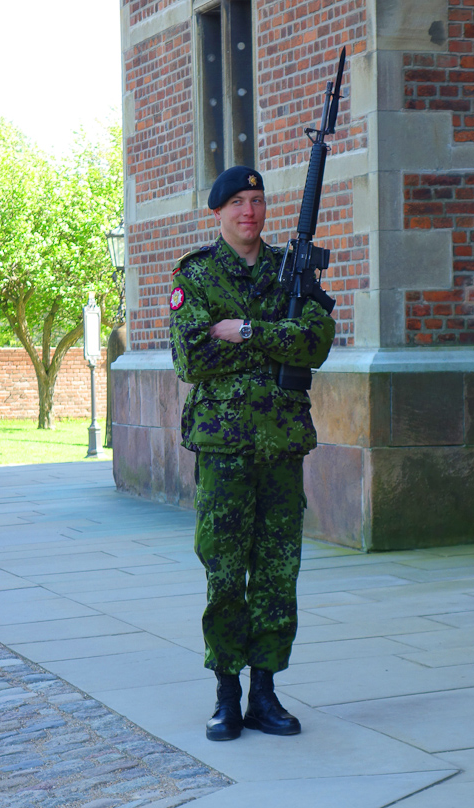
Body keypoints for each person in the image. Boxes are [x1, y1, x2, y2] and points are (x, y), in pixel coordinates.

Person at [169, 165, 335, 741]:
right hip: (224, 452)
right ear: (218, 212)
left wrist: (242, 330)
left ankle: (265, 692)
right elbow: (191, 358)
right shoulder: (198, 275)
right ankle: (226, 693)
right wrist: (268, 338)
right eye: (237, 201)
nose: (250, 211)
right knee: (223, 572)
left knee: (276, 573)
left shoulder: (292, 273)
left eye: (257, 200)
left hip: (282, 450)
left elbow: (314, 343)